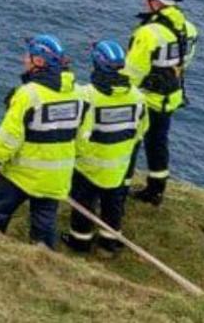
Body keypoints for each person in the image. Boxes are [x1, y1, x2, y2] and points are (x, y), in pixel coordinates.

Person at [0, 34, 87, 249]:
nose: (23, 59)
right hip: (57, 176)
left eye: (28, 56)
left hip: (20, 173)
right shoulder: (80, 94)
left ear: (39, 62)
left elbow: (10, 136)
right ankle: (45, 260)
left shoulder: (28, 94)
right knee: (44, 224)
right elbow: (83, 136)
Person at [64, 39, 147, 253]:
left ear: (96, 65)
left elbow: (77, 130)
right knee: (114, 205)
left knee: (83, 205)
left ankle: (80, 242)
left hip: (88, 166)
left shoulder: (87, 95)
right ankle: (109, 244)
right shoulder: (138, 98)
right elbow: (141, 131)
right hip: (119, 165)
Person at [124, 0, 200, 206]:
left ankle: (119, 192)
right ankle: (156, 190)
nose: (145, 3)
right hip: (170, 97)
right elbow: (185, 61)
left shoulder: (149, 33)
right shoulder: (189, 29)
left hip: (145, 99)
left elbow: (133, 71)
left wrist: (119, 93)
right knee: (158, 142)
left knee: (130, 144)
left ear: (156, 1)